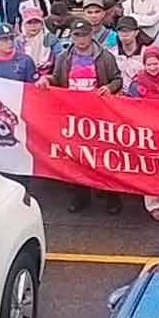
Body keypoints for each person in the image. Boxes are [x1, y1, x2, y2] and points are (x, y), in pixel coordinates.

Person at [41, 19, 123, 213]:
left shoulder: (105, 57)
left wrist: (109, 87)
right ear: (72, 36)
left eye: (84, 35)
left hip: (98, 115)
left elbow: (117, 79)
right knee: (76, 157)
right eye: (77, 35)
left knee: (103, 156)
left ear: (91, 34)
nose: (81, 39)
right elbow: (58, 79)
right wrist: (46, 80)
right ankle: (80, 196)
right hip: (73, 116)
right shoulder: (63, 57)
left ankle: (111, 196)